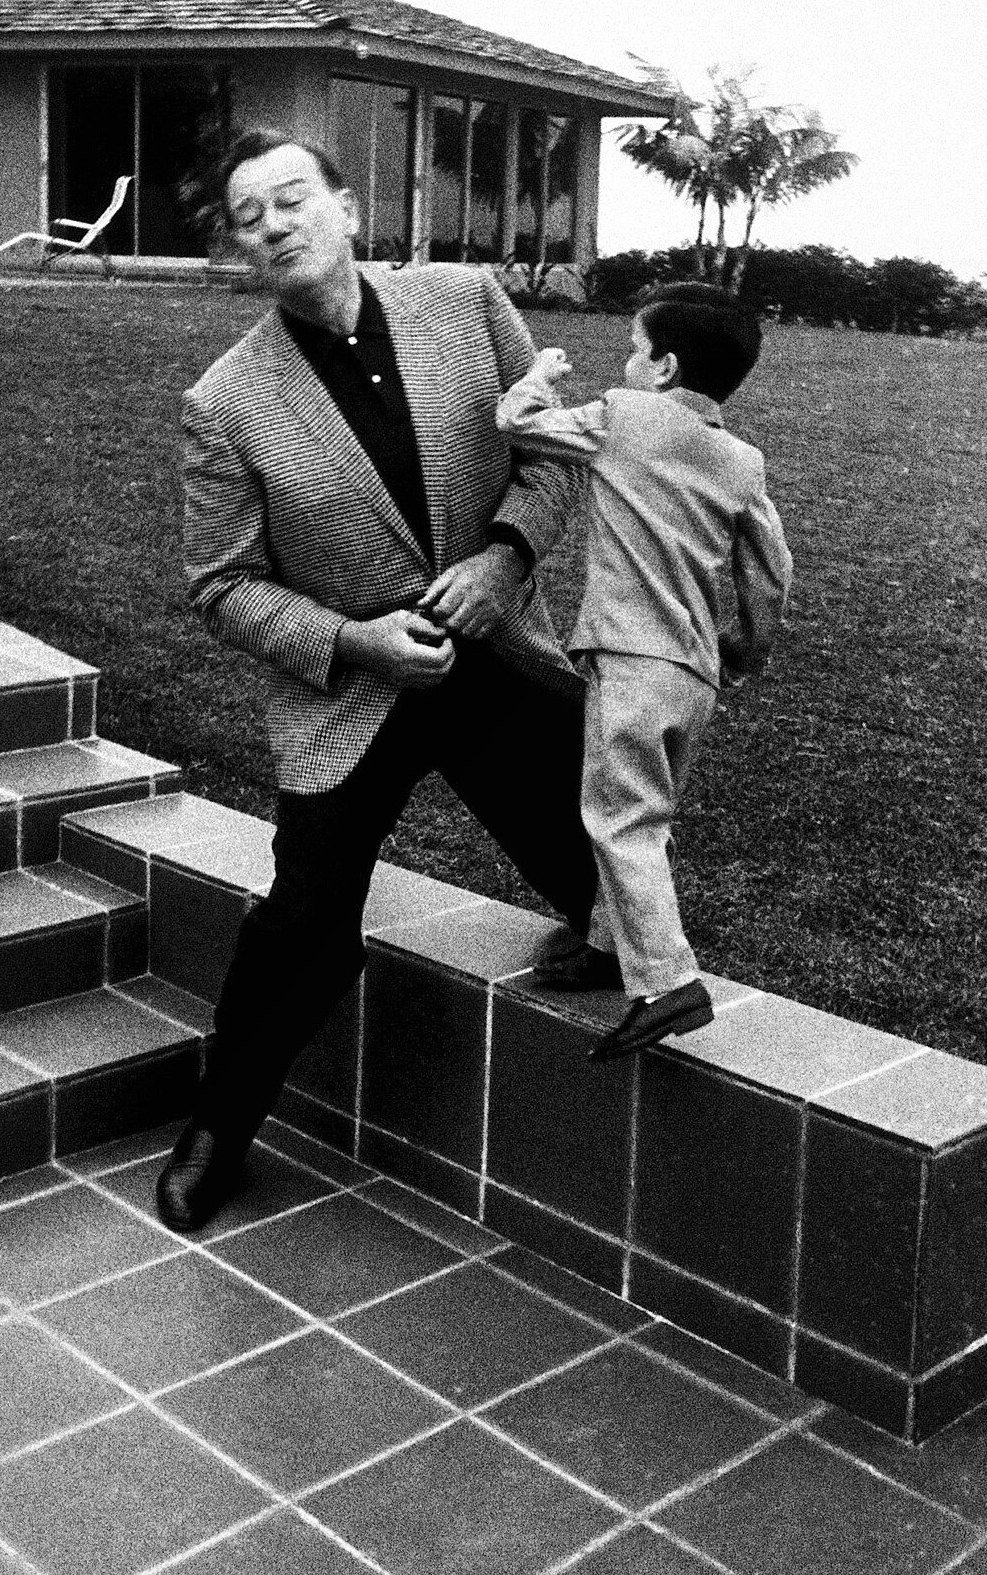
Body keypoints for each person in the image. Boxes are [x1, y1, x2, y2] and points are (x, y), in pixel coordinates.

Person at [157, 130, 601, 1229]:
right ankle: (218, 1129)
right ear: (239, 248)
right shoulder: (225, 400)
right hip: (350, 698)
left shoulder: (465, 301)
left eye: (293, 198)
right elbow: (222, 587)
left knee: (603, 861)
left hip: (492, 656)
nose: (274, 223)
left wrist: (501, 562)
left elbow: (552, 455)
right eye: (250, 214)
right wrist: (356, 642)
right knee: (299, 927)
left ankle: (612, 957)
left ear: (347, 207)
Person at [495, 283, 793, 1060]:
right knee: (643, 816)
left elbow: (515, 423)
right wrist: (743, 651)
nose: (623, 362)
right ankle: (604, 945)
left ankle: (666, 985)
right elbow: (769, 575)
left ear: (661, 366)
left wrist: (538, 373)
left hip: (630, 658)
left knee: (618, 817)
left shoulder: (623, 418)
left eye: (632, 348)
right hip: (692, 676)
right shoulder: (740, 460)